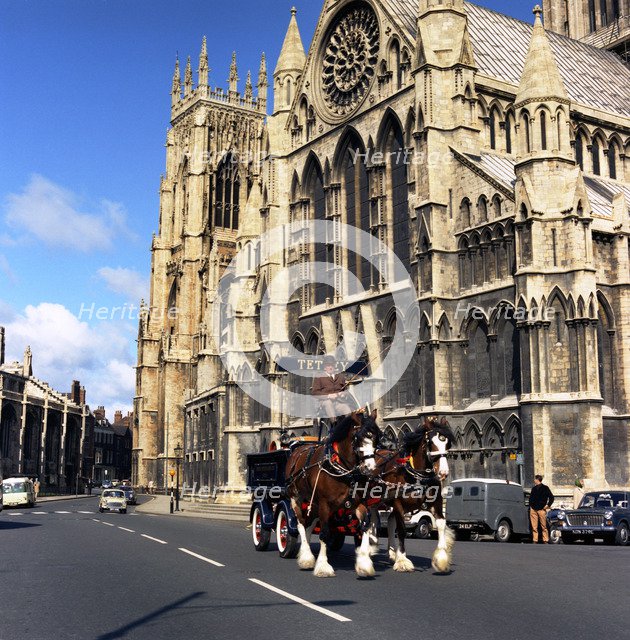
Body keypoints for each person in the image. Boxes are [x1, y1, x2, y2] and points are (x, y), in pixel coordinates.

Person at [311, 355, 353, 425]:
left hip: (338, 402)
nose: (330, 367)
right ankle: (334, 425)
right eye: (328, 365)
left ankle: (345, 427)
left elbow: (346, 391)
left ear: (334, 366)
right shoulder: (319, 377)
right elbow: (315, 393)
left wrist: (343, 394)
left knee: (347, 409)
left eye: (332, 365)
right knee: (328, 403)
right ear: (325, 367)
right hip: (324, 403)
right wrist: (328, 396)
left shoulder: (340, 376)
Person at [529, 474, 554, 543]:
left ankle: (545, 539)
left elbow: (551, 497)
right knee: (534, 526)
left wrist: (548, 505)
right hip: (533, 509)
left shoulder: (545, 488)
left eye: (535, 479)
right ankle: (535, 539)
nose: (534, 480)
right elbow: (530, 498)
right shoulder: (533, 488)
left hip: (541, 509)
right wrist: (531, 505)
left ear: (537, 480)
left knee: (543, 526)